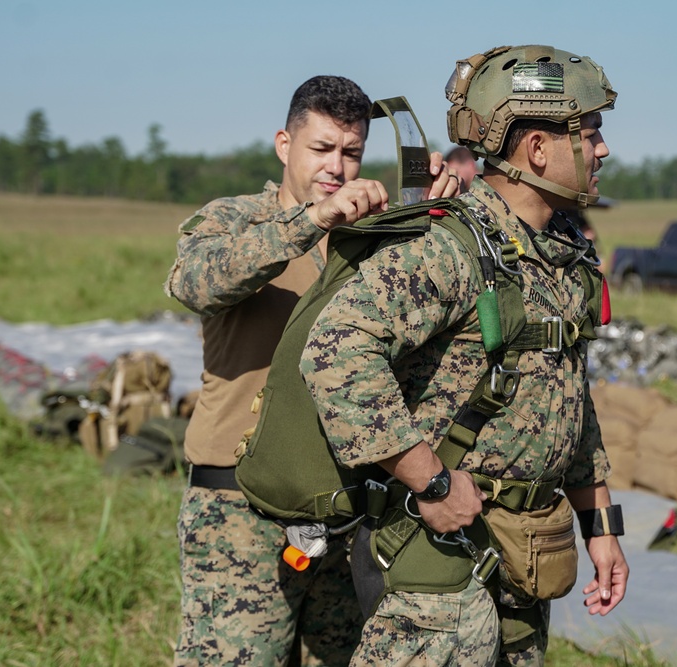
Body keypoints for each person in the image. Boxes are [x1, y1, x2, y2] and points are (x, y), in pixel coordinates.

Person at [301, 45, 628, 666]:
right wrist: (433, 480)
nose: (602, 150)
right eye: (591, 134)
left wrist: (601, 528)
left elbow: (570, 399)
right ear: (537, 148)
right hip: (438, 570)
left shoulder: (565, 254)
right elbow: (334, 351)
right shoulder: (451, 247)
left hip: (528, 561)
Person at [164, 75, 459, 666]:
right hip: (238, 508)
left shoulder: (370, 236)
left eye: (351, 152)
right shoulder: (235, 220)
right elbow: (194, 282)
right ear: (284, 145)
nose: (338, 167)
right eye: (321, 148)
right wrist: (311, 222)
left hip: (347, 507)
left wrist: (432, 213)